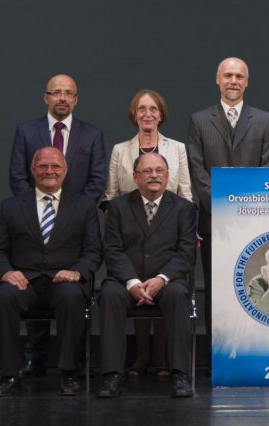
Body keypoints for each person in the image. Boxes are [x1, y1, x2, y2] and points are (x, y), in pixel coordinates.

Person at [8, 74, 107, 379]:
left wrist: (72, 211)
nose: (62, 98)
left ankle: (71, 363)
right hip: (34, 221)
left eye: (69, 93)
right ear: (46, 97)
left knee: (70, 295)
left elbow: (97, 181)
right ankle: (35, 358)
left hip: (75, 228)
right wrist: (37, 208)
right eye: (56, 93)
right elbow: (17, 178)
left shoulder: (91, 135)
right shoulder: (26, 132)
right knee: (33, 284)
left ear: (76, 99)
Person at [0, 147, 102, 397]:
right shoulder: (11, 207)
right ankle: (10, 374)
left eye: (56, 166)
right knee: (2, 298)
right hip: (24, 282)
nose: (49, 171)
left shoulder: (84, 206)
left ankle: (70, 372)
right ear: (32, 170)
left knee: (72, 296)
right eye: (43, 166)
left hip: (64, 281)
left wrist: (78, 272)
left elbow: (94, 250)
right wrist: (6, 272)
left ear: (65, 170)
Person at [188, 57, 269, 347]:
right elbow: (197, 169)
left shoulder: (265, 121)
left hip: (254, 222)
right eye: (228, 75)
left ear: (247, 82)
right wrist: (222, 207)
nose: (233, 81)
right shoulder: (200, 120)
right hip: (214, 221)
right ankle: (218, 352)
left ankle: (255, 346)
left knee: (254, 285)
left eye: (239, 76)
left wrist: (244, 208)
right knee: (216, 288)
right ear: (217, 79)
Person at [103, 89, 192, 379]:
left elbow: (186, 191)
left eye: (153, 108)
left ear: (161, 113)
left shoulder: (176, 148)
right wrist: (117, 223)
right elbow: (112, 193)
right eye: (142, 108)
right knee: (120, 290)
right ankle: (130, 363)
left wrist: (185, 226)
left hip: (170, 223)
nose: (147, 113)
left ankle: (168, 362)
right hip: (130, 228)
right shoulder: (121, 150)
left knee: (172, 290)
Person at [98, 153, 197, 398]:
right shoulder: (118, 208)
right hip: (126, 281)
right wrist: (132, 282)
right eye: (147, 171)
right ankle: (112, 375)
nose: (154, 175)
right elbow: (112, 250)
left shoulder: (184, 208)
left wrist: (162, 279)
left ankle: (179, 374)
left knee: (176, 294)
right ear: (135, 177)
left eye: (159, 171)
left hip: (167, 281)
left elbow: (185, 253)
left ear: (167, 175)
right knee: (109, 294)